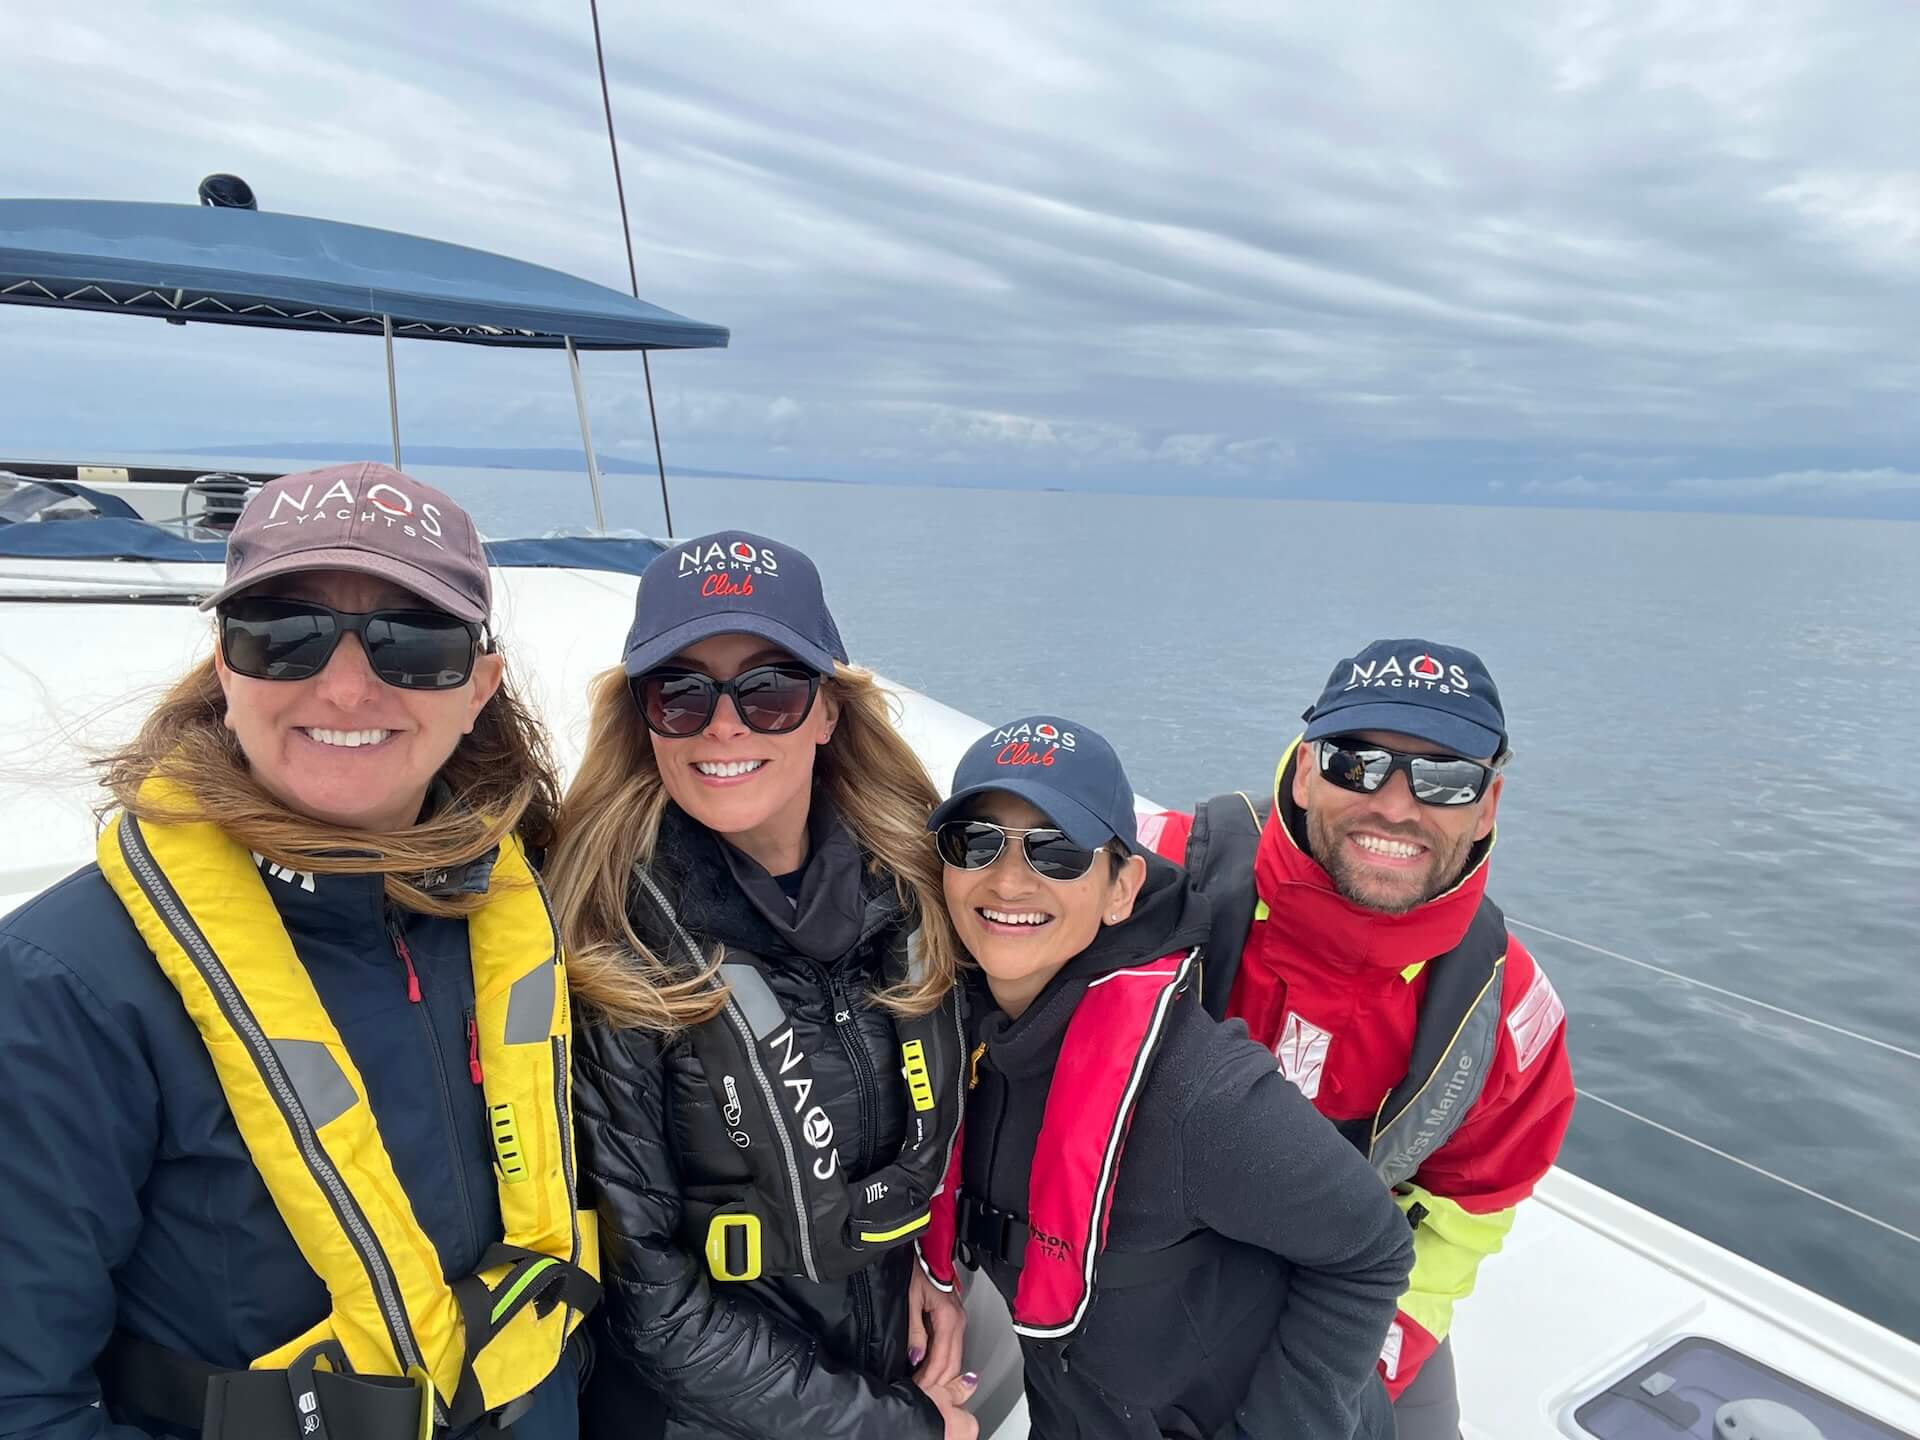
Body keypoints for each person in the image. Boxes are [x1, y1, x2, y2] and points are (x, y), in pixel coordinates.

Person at [0, 463, 596, 1440]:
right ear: (228, 667)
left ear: (479, 686)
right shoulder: (62, 986)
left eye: (414, 644)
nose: (350, 686)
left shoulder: (527, 912)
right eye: (286, 636)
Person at [550, 531, 978, 1440]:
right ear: (644, 721)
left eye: (770, 690)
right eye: (682, 693)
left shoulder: (912, 891)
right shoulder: (608, 944)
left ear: (829, 711)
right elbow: (649, 1299)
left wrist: (931, 1271)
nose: (725, 725)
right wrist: (896, 1427)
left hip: (880, 1369)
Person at [918, 715, 1415, 1440]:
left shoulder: (1199, 1093)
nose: (1008, 880)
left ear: (1122, 889)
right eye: (976, 843)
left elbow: (1372, 1249)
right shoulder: (964, 1044)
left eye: (1058, 852)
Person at [1140, 640, 1576, 1438]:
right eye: (1358, 764)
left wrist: (1372, 1350)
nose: (1397, 806)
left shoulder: (1505, 1013)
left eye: (1446, 778)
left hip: (1349, 1294)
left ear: (1488, 806)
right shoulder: (1153, 874)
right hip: (1135, 1256)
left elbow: (1469, 1207)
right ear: (1305, 771)